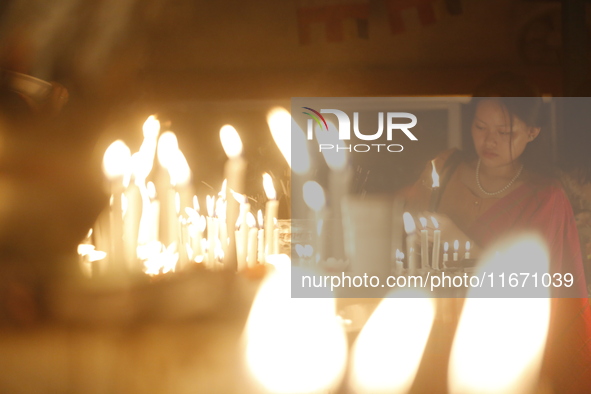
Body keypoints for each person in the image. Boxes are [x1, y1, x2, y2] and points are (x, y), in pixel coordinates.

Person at [404, 74, 591, 392]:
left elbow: (533, 288)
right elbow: (401, 220)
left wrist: (459, 240)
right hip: (430, 324)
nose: (489, 141)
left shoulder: (544, 195)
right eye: (480, 127)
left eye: (504, 132)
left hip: (496, 341)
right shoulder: (445, 167)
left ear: (532, 132)